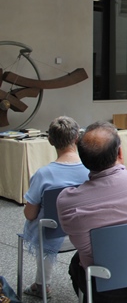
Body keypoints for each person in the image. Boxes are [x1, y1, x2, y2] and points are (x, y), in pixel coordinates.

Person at [57, 121, 127, 302]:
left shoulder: (67, 201)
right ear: (120, 153)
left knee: (76, 261)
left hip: (104, 287)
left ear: (83, 158)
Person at [22, 117, 89, 299]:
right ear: (77, 137)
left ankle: (42, 285)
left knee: (43, 223)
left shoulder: (43, 174)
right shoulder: (90, 170)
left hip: (52, 237)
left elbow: (30, 214)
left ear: (50, 140)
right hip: (86, 235)